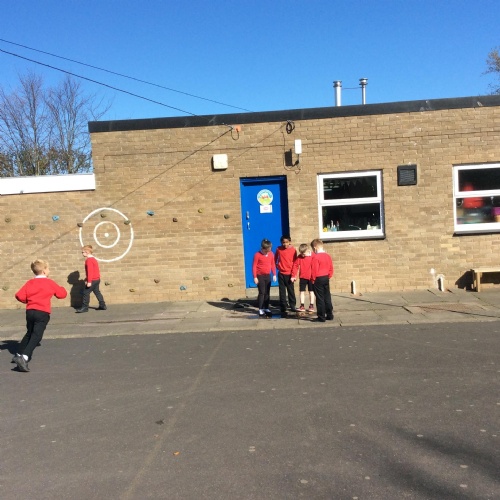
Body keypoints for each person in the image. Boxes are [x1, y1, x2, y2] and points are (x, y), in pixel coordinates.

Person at [13, 259, 67, 372]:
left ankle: (18, 354)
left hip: (30, 311)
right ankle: (24, 357)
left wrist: (28, 301)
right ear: (44, 271)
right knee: (37, 336)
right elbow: (62, 295)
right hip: (42, 312)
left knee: (29, 332)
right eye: (48, 269)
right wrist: (62, 288)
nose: (49, 271)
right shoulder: (49, 282)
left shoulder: (30, 282)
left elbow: (19, 295)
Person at [76, 245, 107, 313]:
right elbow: (94, 271)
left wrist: (89, 281)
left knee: (85, 293)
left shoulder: (89, 260)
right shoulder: (93, 259)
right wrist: (87, 279)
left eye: (83, 252)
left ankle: (85, 308)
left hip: (92, 280)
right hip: (97, 279)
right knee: (97, 292)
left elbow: (90, 272)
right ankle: (103, 305)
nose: (82, 253)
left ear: (87, 252)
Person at [310, 239, 334, 322]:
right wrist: (329, 275)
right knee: (327, 296)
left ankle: (321, 316)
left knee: (320, 298)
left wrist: (313, 279)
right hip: (326, 277)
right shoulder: (327, 256)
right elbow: (331, 267)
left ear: (315, 247)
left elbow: (314, 270)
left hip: (318, 278)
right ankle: (330, 315)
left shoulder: (316, 257)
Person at [252, 238, 277, 318]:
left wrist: (274, 274)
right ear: (263, 248)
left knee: (267, 293)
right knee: (262, 292)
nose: (268, 251)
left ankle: (266, 308)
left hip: (267, 275)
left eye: (269, 249)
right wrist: (255, 277)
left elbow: (272, 264)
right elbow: (254, 266)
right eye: (267, 250)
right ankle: (260, 308)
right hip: (260, 276)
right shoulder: (257, 255)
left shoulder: (271, 254)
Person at [274, 235, 297, 318]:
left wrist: (293, 275)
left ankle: (292, 305)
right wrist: (277, 265)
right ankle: (283, 306)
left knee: (291, 290)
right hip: (281, 273)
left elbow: (295, 263)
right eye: (283, 242)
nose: (285, 244)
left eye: (287, 242)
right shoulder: (278, 249)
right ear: (281, 242)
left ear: (290, 242)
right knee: (282, 291)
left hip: (290, 274)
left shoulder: (293, 250)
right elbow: (275, 258)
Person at [291, 243, 315, 313]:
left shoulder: (313, 256)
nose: (302, 255)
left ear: (308, 250)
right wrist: (293, 275)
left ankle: (311, 305)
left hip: (311, 277)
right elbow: (295, 266)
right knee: (302, 291)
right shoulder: (299, 257)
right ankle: (302, 306)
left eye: (304, 254)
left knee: (311, 291)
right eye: (301, 254)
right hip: (302, 277)